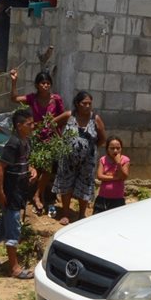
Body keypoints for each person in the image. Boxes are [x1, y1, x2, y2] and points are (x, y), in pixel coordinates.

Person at [0, 109, 36, 280]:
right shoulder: (13, 143)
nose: (32, 126)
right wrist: (0, 191)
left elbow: (24, 164)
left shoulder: (26, 142)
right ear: (19, 126)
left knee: (4, 225)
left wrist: (31, 170)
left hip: (19, 191)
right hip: (11, 192)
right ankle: (14, 268)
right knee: (13, 228)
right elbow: (0, 167)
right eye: (29, 124)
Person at [9, 69, 64, 215]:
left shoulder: (56, 99)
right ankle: (27, 195)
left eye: (48, 83)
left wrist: (57, 131)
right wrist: (14, 82)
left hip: (51, 139)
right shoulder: (32, 98)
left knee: (47, 168)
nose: (45, 86)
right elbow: (14, 99)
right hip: (35, 137)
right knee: (32, 166)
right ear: (37, 85)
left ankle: (38, 195)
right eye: (42, 83)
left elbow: (63, 117)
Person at [52, 91, 106, 224]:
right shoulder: (69, 116)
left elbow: (102, 139)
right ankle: (65, 214)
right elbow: (52, 124)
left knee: (85, 185)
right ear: (77, 104)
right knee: (66, 184)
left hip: (87, 161)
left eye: (89, 103)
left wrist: (90, 148)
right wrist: (60, 140)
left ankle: (81, 214)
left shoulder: (95, 119)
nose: (87, 106)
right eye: (84, 103)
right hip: (67, 159)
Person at [94, 137, 131, 213]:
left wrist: (118, 163)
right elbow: (99, 176)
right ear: (107, 149)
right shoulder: (103, 160)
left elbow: (123, 177)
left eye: (118, 148)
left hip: (117, 199)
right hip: (102, 197)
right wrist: (116, 178)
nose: (115, 151)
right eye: (112, 148)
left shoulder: (125, 160)